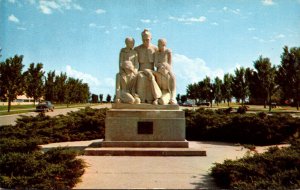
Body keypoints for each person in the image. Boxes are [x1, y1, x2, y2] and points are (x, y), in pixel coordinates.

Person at [134, 29, 158, 103]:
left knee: (151, 78)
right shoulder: (137, 49)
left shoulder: (155, 49)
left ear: (151, 38)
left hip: (151, 71)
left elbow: (158, 63)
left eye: (147, 40)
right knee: (141, 77)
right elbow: (135, 64)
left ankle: (153, 98)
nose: (145, 41)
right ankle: (141, 99)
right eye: (143, 40)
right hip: (140, 71)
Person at [154, 39, 177, 104]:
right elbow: (155, 64)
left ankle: (172, 98)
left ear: (164, 45)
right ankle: (156, 98)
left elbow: (169, 63)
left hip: (167, 70)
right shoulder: (156, 53)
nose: (158, 45)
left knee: (172, 78)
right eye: (158, 44)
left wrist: (165, 67)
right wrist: (161, 65)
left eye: (160, 44)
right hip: (159, 70)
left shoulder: (168, 51)